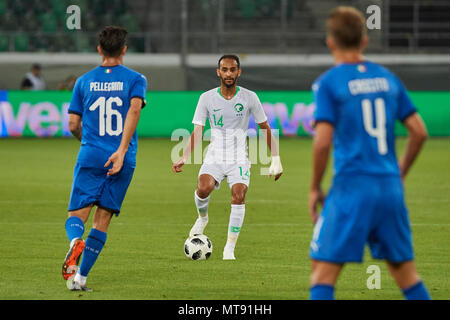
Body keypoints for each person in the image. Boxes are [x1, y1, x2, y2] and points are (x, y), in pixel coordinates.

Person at [308, 6, 430, 300]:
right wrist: (399, 172)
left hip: (352, 187)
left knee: (322, 272)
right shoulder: (388, 79)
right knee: (405, 274)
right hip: (389, 188)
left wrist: (314, 187)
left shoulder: (329, 83)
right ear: (365, 40)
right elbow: (419, 131)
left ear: (330, 42)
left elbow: (322, 142)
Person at [172, 54, 283, 260]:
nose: (229, 73)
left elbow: (265, 128)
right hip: (214, 155)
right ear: (218, 72)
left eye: (233, 70)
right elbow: (197, 131)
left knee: (239, 195)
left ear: (239, 72)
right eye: (225, 69)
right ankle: (202, 218)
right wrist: (184, 157)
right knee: (203, 188)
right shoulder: (207, 98)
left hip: (239, 157)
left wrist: (275, 159)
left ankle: (229, 249)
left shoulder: (250, 97)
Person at [62, 26, 147, 291]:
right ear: (124, 49)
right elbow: (134, 110)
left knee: (77, 213)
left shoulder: (83, 81)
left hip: (90, 152)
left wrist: (88, 145)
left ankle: (76, 240)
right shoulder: (136, 79)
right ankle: (81, 279)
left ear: (99, 49)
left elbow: (74, 124)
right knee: (103, 218)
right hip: (122, 156)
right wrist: (121, 151)